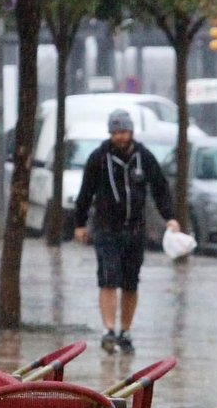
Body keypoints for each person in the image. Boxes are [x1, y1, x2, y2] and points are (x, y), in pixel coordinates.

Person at [72, 109, 179, 354]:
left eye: (124, 131)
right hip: (106, 228)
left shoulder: (144, 157)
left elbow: (160, 188)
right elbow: (85, 192)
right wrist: (79, 224)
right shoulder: (98, 158)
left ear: (131, 132)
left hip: (135, 229)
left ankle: (125, 330)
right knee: (108, 278)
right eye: (116, 132)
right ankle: (108, 330)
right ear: (110, 133)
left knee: (130, 283)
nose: (121, 137)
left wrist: (170, 217)